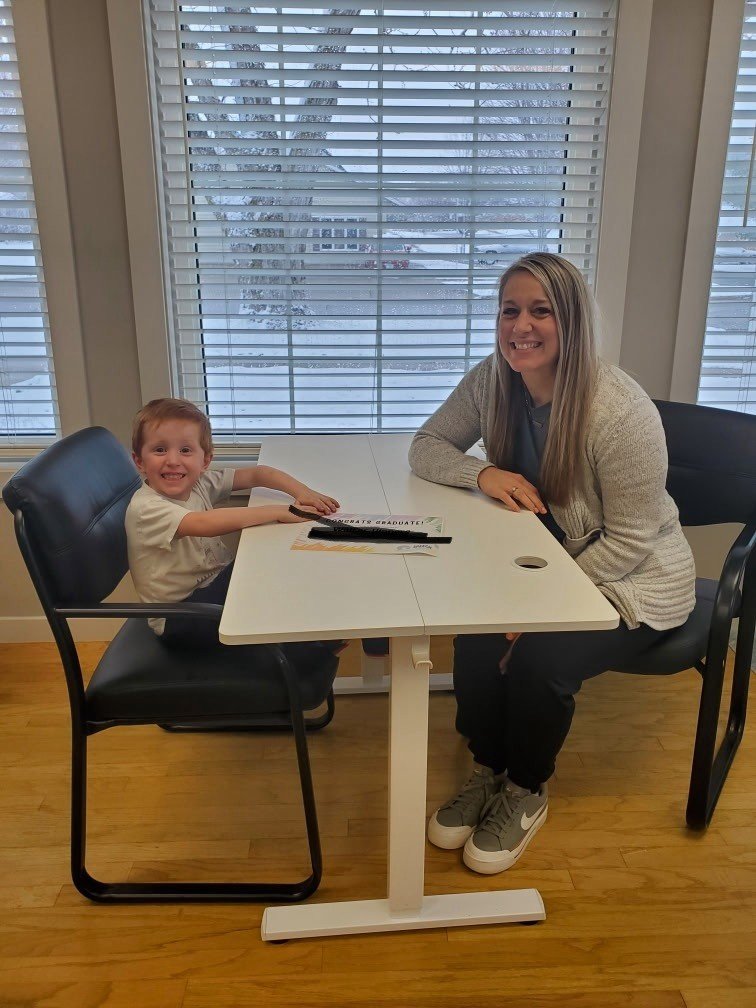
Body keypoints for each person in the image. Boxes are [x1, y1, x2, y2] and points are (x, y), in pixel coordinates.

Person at [408, 252, 696, 875]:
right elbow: (426, 445)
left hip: (636, 578)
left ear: (572, 322)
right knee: (479, 633)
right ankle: (488, 769)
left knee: (541, 657)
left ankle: (525, 789)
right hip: (541, 561)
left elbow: (632, 539)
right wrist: (482, 471)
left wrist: (539, 611)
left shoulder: (620, 411)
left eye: (541, 311)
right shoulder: (494, 379)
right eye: (510, 310)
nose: (521, 326)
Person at [125, 397, 345, 667]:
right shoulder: (146, 508)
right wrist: (278, 511)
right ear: (139, 461)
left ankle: (325, 640)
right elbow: (203, 523)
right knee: (270, 564)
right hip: (181, 618)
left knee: (276, 567)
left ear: (205, 459)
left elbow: (259, 474)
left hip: (209, 594)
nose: (173, 461)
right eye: (159, 450)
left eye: (185, 450)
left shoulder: (198, 484)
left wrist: (304, 492)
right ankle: (314, 656)